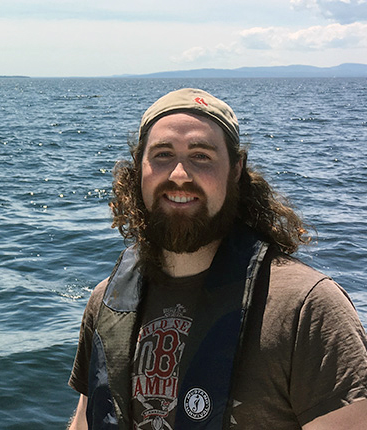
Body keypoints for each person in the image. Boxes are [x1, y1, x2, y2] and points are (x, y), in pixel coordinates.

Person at [67, 88, 367, 429]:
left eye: (201, 156)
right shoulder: (107, 302)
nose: (179, 174)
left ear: (236, 169)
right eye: (162, 154)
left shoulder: (306, 310)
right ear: (139, 169)